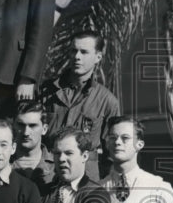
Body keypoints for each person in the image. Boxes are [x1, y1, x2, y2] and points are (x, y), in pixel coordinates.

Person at [40, 30, 120, 181]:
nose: (77, 57)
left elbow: (112, 152)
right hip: (48, 174)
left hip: (85, 178)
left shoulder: (107, 101)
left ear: (98, 57)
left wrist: (96, 180)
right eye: (73, 51)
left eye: (84, 52)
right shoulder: (46, 91)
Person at [11, 100, 56, 193]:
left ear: (44, 129)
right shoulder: (0, 164)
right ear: (13, 126)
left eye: (32, 125)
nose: (26, 132)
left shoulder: (57, 166)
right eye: (21, 125)